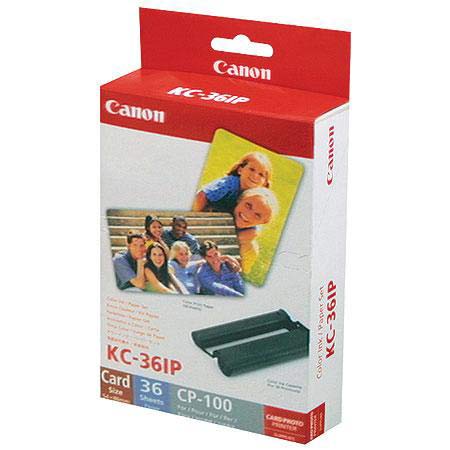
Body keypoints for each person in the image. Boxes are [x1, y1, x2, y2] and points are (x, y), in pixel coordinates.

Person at [193, 152, 273, 213]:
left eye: (261, 174)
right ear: (240, 170)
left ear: (264, 184)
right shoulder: (229, 184)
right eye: (252, 169)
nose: (255, 176)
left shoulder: (257, 197)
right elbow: (201, 195)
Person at [169, 241, 242, 295]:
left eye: (186, 253)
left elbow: (209, 260)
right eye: (181, 254)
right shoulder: (172, 265)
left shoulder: (192, 265)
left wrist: (228, 257)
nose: (185, 257)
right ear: (175, 255)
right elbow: (169, 271)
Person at [233, 187, 279, 274]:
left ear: (264, 222)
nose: (248, 214)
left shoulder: (250, 249)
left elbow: (240, 274)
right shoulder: (214, 210)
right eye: (248, 205)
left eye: (257, 215)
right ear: (240, 200)